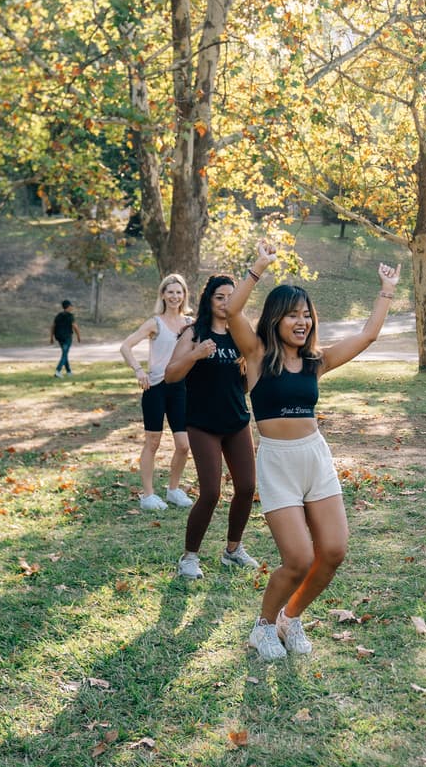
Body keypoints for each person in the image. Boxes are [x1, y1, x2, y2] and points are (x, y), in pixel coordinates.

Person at [227, 241, 400, 660]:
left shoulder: (315, 361)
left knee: (334, 552)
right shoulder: (256, 355)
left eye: (307, 315)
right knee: (299, 559)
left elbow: (368, 335)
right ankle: (263, 627)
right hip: (276, 462)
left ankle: (290, 617)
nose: (302, 321)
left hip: (313, 457)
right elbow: (232, 312)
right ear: (275, 319)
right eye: (293, 314)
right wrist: (258, 268)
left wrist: (387, 289)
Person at [164, 275, 261, 579]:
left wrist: (247, 367)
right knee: (210, 492)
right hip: (203, 424)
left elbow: (243, 385)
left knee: (246, 487)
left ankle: (233, 550)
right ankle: (189, 557)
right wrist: (195, 354)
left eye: (231, 297)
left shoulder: (240, 335)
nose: (226, 303)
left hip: (236, 421)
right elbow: (170, 375)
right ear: (209, 300)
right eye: (220, 297)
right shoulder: (195, 333)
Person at [118, 274, 194, 511]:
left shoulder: (191, 323)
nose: (174, 296)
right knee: (153, 442)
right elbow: (126, 346)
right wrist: (139, 370)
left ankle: (173, 490)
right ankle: (148, 495)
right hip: (155, 388)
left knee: (183, 445)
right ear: (163, 294)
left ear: (184, 296)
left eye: (178, 292)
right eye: (170, 292)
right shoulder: (155, 323)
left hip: (181, 388)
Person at [50, 299, 82, 377]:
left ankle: (69, 372)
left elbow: (53, 326)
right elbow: (75, 326)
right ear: (68, 307)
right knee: (64, 354)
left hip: (59, 337)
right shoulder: (70, 316)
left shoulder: (58, 315)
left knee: (65, 353)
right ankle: (58, 370)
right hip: (67, 338)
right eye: (71, 306)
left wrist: (51, 337)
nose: (72, 307)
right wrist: (78, 336)